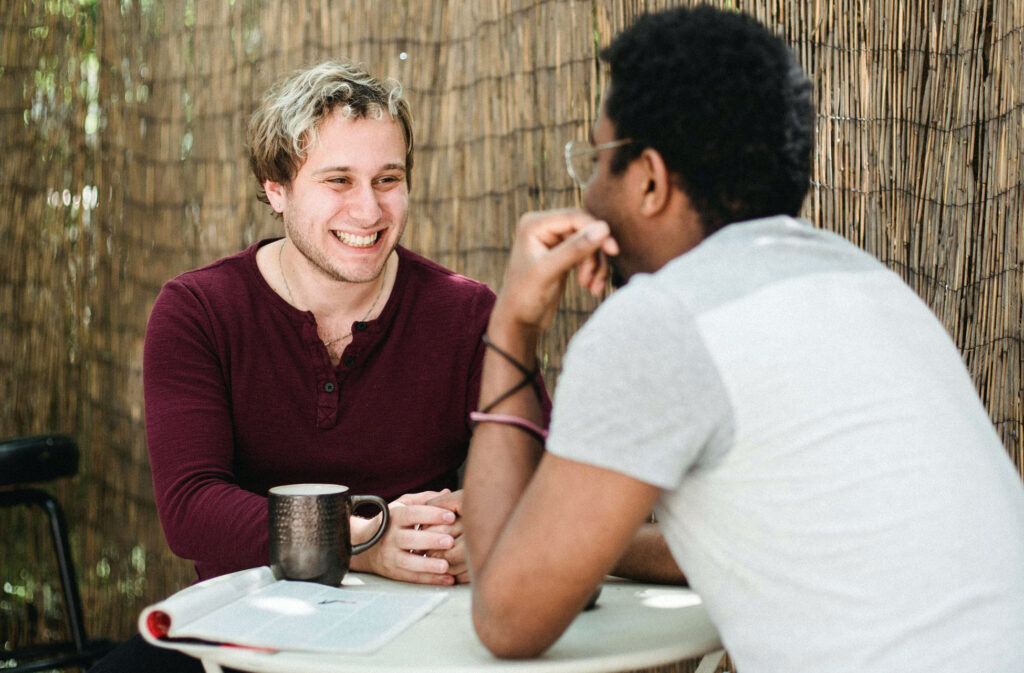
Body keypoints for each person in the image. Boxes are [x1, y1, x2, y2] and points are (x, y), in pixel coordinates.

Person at [459, 6, 1024, 673]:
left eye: (597, 159)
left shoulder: (662, 320)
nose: (587, 190)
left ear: (648, 179)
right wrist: (584, 541)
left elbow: (506, 616)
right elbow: (771, 538)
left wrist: (513, 324)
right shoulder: (866, 285)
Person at [92, 59, 542, 672]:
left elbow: (541, 479)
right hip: (249, 631)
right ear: (276, 189)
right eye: (338, 181)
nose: (368, 210)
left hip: (418, 625)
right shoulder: (198, 310)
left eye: (388, 178)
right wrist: (364, 538)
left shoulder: (466, 312)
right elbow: (192, 509)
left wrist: (473, 527)